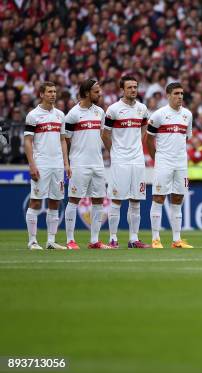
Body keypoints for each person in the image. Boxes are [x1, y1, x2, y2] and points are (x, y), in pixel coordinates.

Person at [102, 76, 150, 248]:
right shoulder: (113, 110)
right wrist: (114, 152)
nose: (133, 90)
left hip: (137, 160)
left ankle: (133, 238)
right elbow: (105, 134)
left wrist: (137, 147)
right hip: (120, 160)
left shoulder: (142, 109)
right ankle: (113, 238)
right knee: (116, 199)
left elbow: (144, 129)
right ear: (122, 89)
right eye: (129, 87)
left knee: (136, 199)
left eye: (135, 87)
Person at [145, 82, 194, 248]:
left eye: (181, 93)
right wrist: (156, 158)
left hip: (181, 162)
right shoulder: (158, 115)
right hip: (164, 161)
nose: (180, 96)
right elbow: (148, 139)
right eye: (176, 93)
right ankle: (156, 238)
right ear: (168, 95)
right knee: (159, 197)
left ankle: (176, 240)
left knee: (178, 198)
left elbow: (185, 137)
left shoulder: (187, 115)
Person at [64, 79, 110, 249]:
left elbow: (102, 135)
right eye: (96, 92)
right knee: (74, 200)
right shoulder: (73, 114)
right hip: (79, 163)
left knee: (99, 200)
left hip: (97, 163)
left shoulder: (100, 112)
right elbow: (66, 139)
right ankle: (70, 240)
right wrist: (68, 162)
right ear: (86, 93)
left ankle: (94, 240)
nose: (100, 94)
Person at [24, 81, 70, 250]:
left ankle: (51, 240)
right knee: (36, 202)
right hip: (41, 164)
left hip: (57, 165)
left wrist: (66, 163)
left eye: (54, 91)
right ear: (41, 94)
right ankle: (32, 241)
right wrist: (32, 164)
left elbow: (63, 140)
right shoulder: (33, 115)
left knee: (55, 202)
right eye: (49, 91)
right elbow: (28, 142)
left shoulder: (60, 115)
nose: (53, 94)